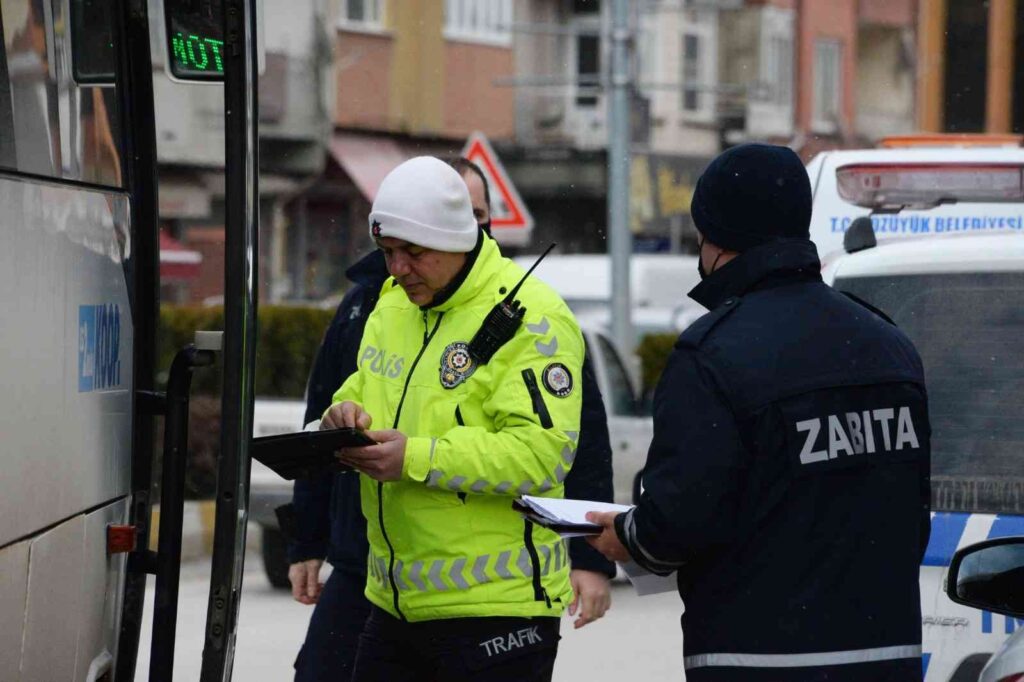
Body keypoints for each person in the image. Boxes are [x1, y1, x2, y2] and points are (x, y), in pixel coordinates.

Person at [587, 143, 931, 681]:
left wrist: (626, 536)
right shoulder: (891, 346)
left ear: (715, 237)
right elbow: (909, 515)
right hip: (884, 655)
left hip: (756, 658)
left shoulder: (712, 354)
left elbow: (678, 521)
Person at [287, 158, 615, 682]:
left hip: (496, 609)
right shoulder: (393, 304)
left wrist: (413, 459)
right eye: (388, 252)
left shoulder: (532, 317)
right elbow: (358, 387)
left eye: (414, 253)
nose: (397, 268)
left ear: (458, 238)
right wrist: (341, 415)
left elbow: (541, 453)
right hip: (393, 602)